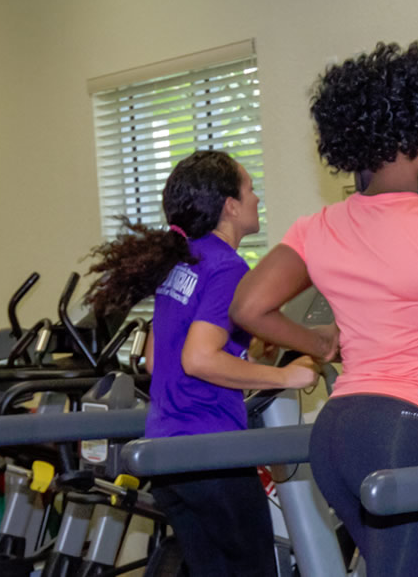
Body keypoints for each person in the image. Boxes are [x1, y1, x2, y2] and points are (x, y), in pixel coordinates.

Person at [230, 41, 418, 577]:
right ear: (417, 136)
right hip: (408, 434)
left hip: (337, 436)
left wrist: (321, 343)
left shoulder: (318, 226)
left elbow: (249, 306)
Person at [84, 150, 320, 577]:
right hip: (212, 454)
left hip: (168, 455)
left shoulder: (183, 259)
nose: (257, 198)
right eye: (249, 189)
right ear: (229, 205)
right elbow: (198, 359)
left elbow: (159, 360)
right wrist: (284, 375)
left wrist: (249, 357)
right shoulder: (229, 267)